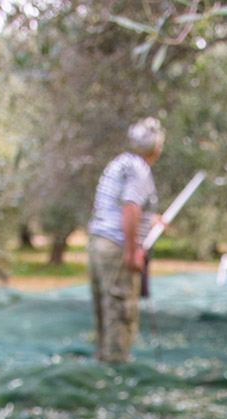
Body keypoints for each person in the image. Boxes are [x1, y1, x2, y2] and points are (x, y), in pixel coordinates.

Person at [86, 117, 166, 363]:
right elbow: (130, 208)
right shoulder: (140, 170)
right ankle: (115, 370)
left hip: (98, 243)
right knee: (120, 312)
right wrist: (132, 253)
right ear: (155, 147)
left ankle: (103, 361)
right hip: (117, 248)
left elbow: (124, 206)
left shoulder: (120, 163)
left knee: (105, 310)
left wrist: (149, 220)